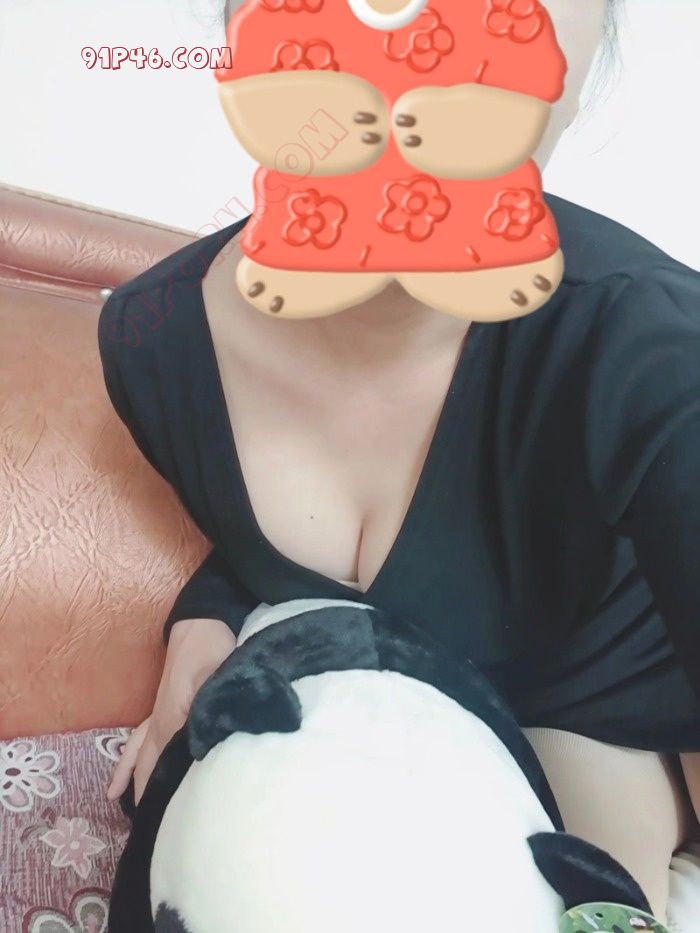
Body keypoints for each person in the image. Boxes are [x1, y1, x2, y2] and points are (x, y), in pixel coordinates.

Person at [98, 0, 700, 922]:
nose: (426, 34)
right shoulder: (154, 348)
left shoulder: (650, 349)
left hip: (612, 715)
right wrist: (209, 611)